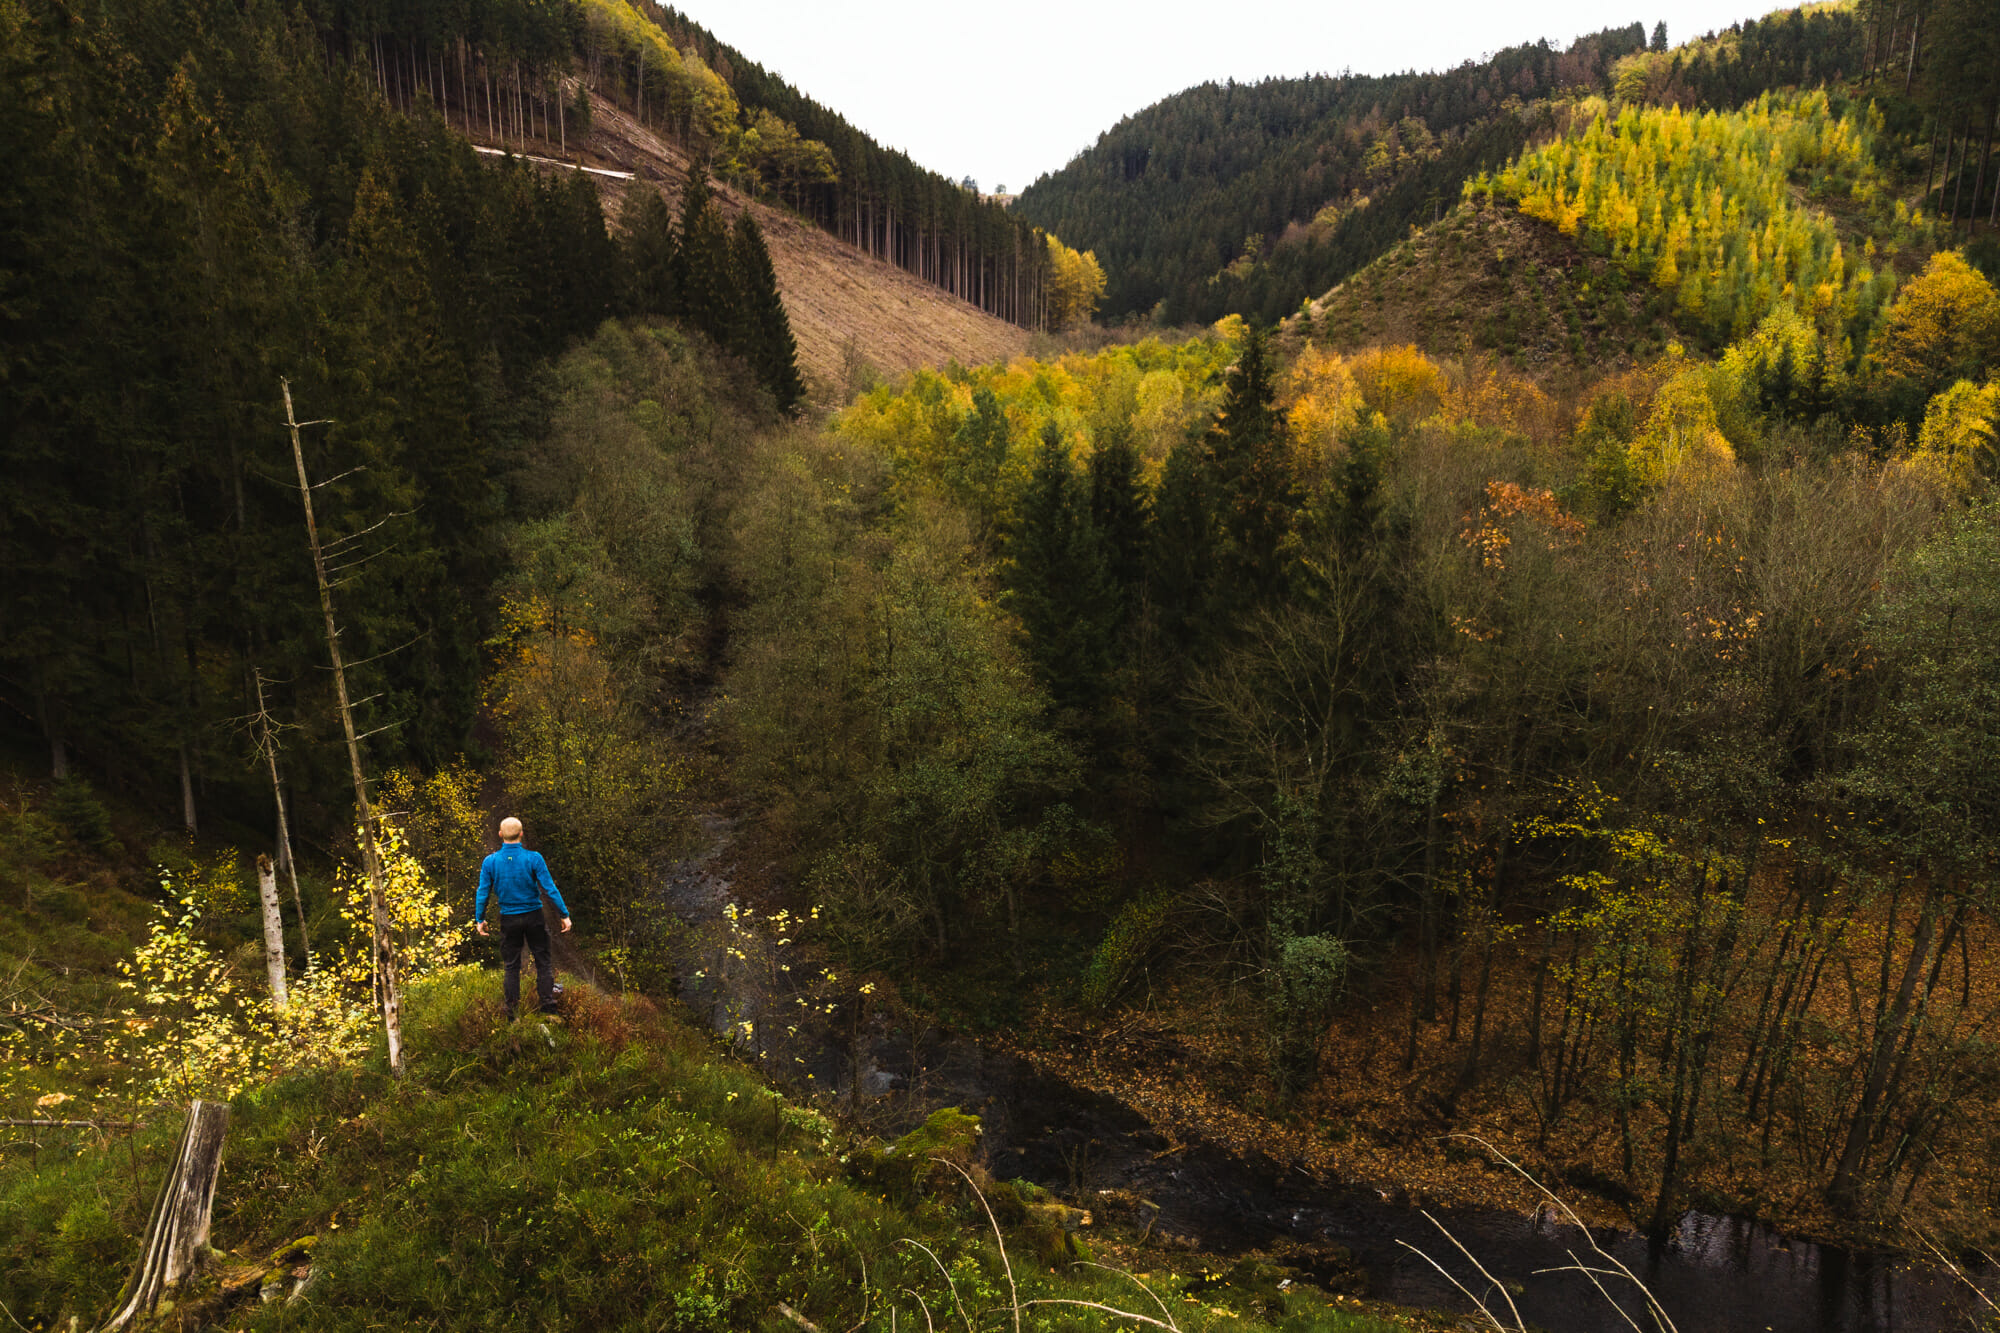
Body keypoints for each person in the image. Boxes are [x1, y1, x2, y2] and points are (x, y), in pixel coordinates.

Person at [474, 817, 572, 1018]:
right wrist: (564, 914)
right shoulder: (534, 858)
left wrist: (480, 918)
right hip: (533, 916)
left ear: (500, 835)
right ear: (521, 834)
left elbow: (483, 892)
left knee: (511, 965)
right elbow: (550, 889)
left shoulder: (490, 862)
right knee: (543, 961)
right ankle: (548, 1006)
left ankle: (512, 1011)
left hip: (509, 919)